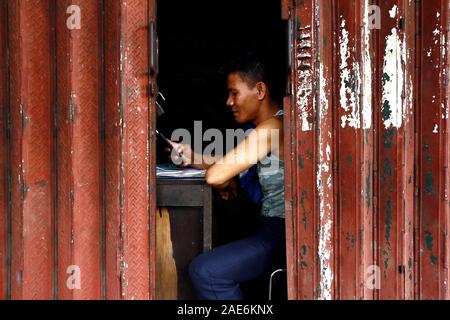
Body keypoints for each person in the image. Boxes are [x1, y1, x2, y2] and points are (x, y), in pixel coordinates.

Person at [170, 53, 285, 300]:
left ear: (261, 90)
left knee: (206, 271)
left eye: (234, 93)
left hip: (278, 233)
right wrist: (193, 156)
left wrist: (223, 175)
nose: (228, 102)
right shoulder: (267, 128)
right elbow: (230, 163)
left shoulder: (271, 129)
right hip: (267, 227)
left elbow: (216, 175)